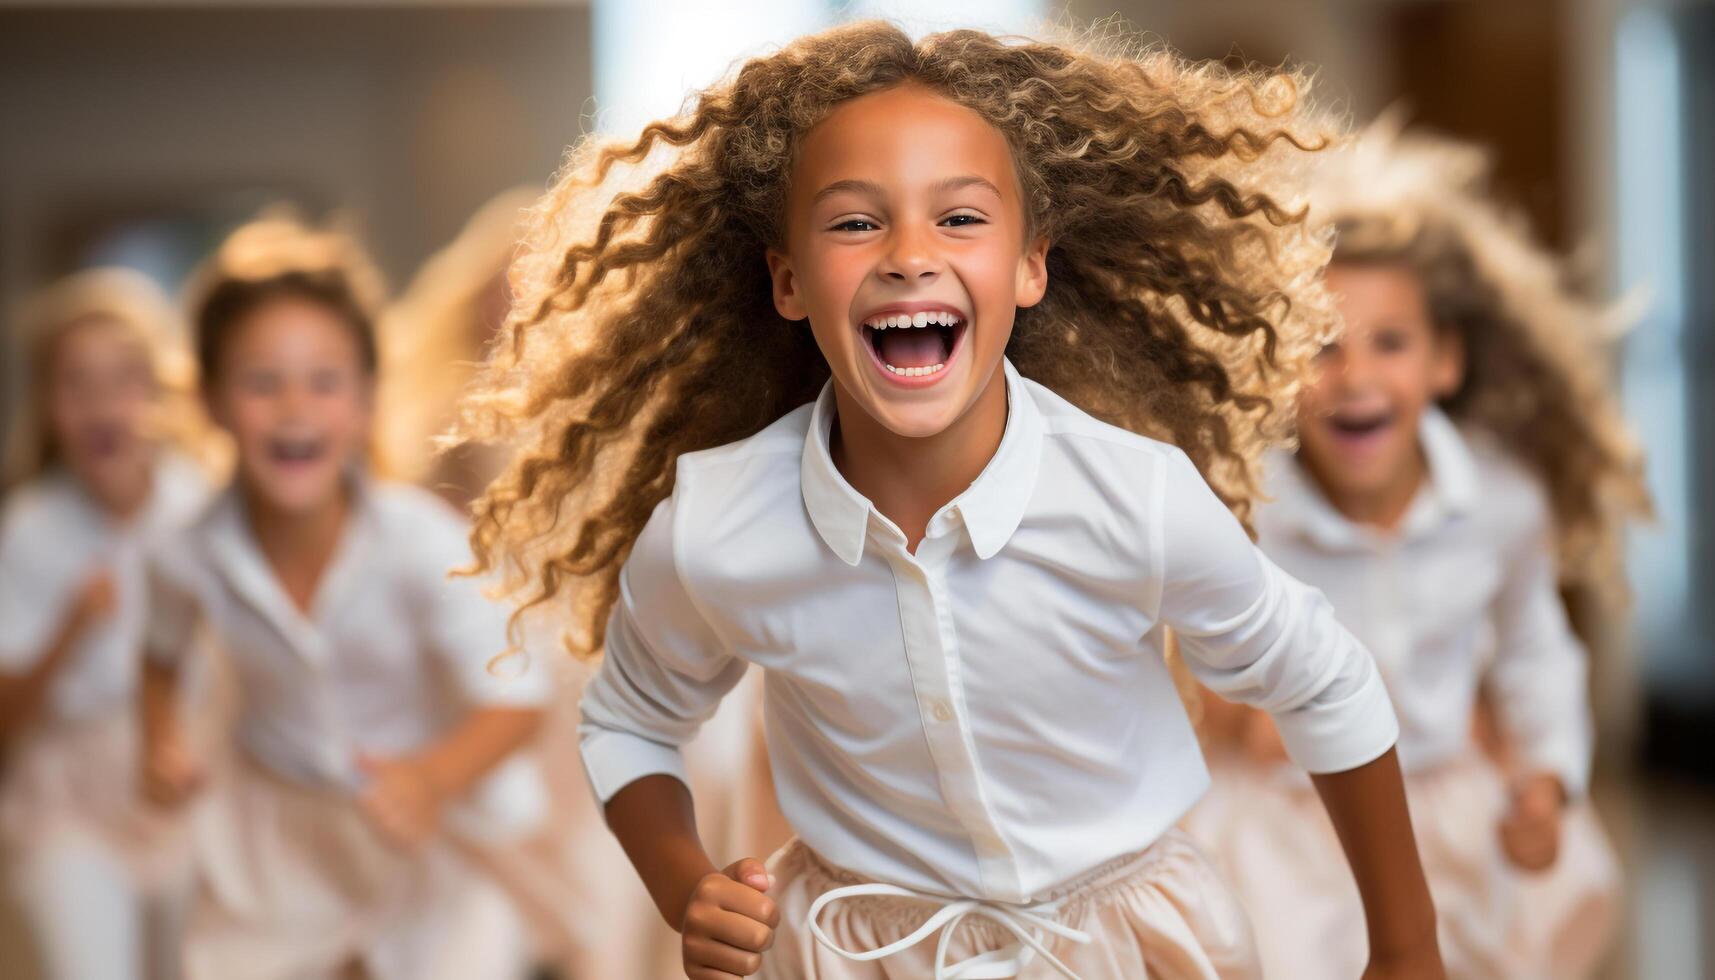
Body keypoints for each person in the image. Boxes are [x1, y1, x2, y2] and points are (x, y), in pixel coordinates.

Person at [458, 22, 1446, 979]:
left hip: (1117, 948)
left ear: (1029, 264)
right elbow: (629, 717)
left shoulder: (1131, 498)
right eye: (855, 220)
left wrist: (1405, 949)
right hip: (849, 955)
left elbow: (1322, 680)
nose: (907, 252)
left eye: (959, 216)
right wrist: (685, 884)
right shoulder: (718, 524)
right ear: (789, 279)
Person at [1188, 118, 1650, 979]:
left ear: (1444, 361)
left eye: (1389, 344)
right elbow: (1194, 644)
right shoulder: (1252, 509)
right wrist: (1236, 710)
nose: (1354, 375)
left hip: (1448, 798)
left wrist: (1546, 777)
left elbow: (1532, 651)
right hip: (1297, 814)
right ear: (1276, 368)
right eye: (1321, 347)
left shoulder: (1499, 503)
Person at [139, 214, 550, 980]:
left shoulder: (420, 544)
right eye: (263, 382)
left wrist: (430, 777)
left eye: (323, 382)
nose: (295, 407)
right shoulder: (183, 553)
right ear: (211, 400)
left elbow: (519, 701)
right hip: (281, 838)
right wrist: (160, 737)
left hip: (429, 826)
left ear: (363, 402)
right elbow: (159, 653)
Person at [0, 267, 216, 980]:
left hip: (194, 788)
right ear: (48, 405)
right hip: (71, 803)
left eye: (123, 380)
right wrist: (67, 629)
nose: (102, 406)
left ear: (161, 392)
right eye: (76, 384)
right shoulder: (29, 530)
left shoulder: (204, 510)